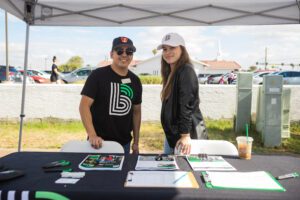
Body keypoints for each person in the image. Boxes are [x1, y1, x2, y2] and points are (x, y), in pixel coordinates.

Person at [79, 36, 142, 154]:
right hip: (99, 143)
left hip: (125, 144)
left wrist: (136, 143)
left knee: (123, 173)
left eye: (129, 51)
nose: (124, 55)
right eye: (119, 51)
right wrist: (92, 135)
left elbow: (136, 112)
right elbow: (84, 106)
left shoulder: (135, 81)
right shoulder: (97, 76)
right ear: (111, 54)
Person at [157, 33, 207, 155]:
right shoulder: (171, 72)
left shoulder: (186, 70)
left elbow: (186, 105)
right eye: (165, 49)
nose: (168, 52)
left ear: (182, 49)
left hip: (185, 137)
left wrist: (185, 135)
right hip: (172, 135)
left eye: (172, 48)